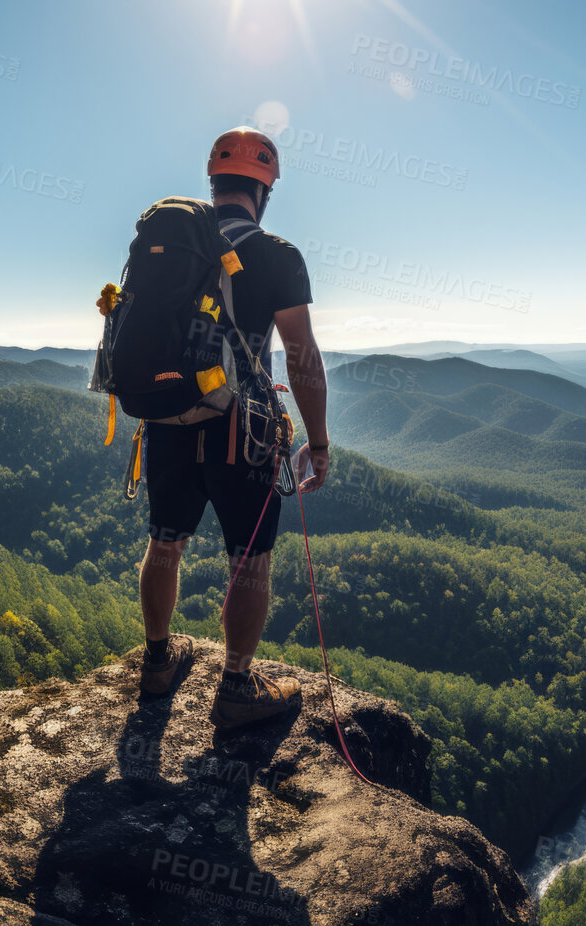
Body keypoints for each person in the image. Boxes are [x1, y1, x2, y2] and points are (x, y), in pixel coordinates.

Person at [134, 127, 331, 729]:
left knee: (165, 542)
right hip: (239, 430)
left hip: (167, 416)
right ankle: (237, 688)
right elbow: (300, 353)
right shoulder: (276, 254)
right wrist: (318, 442)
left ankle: (159, 661)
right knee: (250, 560)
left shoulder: (170, 246)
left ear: (213, 183)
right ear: (263, 189)